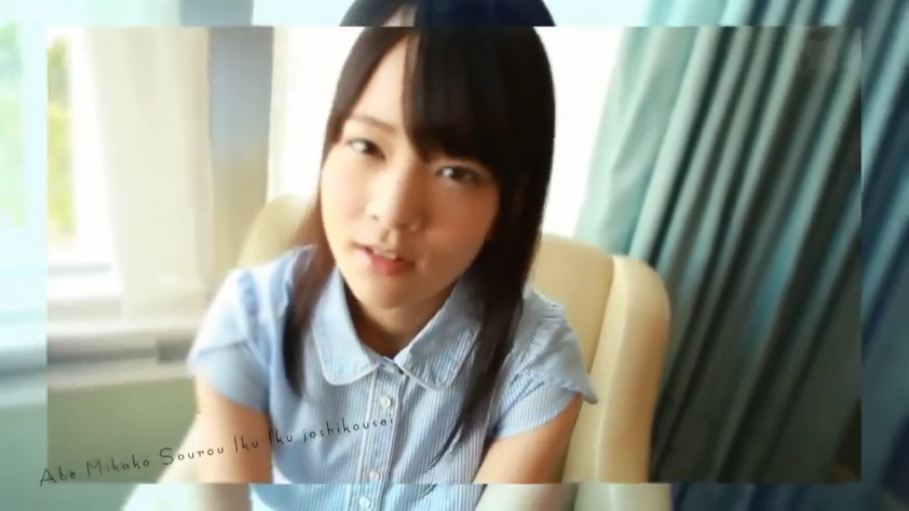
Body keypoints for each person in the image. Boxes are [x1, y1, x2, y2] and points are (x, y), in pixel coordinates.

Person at [186, 0, 595, 509]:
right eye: (367, 146)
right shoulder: (250, 319)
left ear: (509, 206)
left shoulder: (537, 359)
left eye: (455, 172)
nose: (394, 211)